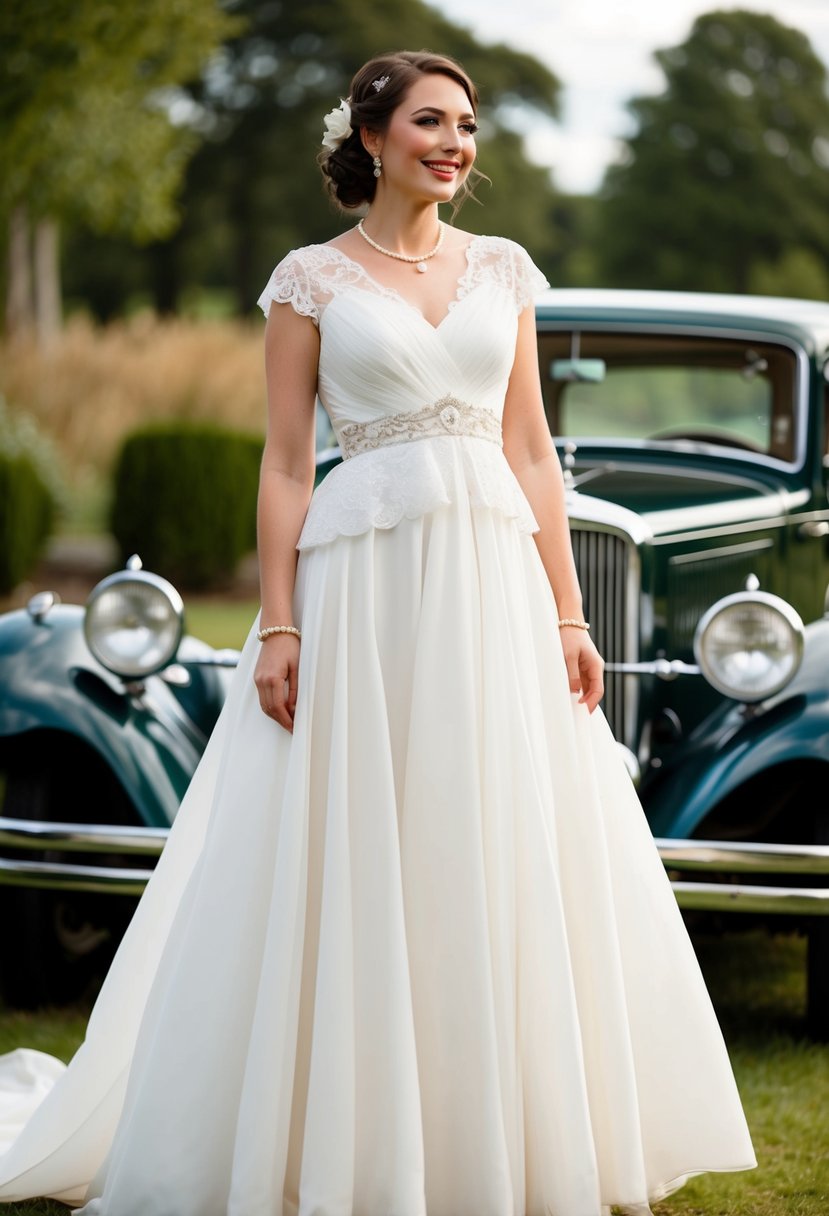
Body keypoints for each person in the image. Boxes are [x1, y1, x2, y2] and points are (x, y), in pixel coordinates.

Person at [0, 48, 755, 1216]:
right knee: (359, 830)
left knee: (487, 828)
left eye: (465, 127)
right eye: (430, 123)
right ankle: (337, 1130)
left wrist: (570, 610)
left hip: (492, 580)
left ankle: (500, 1136)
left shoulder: (503, 269)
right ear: (371, 135)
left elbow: (534, 456)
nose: (455, 145)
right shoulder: (307, 280)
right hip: (361, 582)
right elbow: (288, 464)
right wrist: (281, 623)